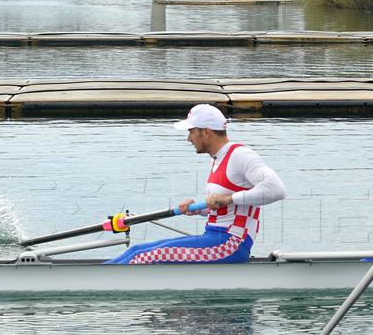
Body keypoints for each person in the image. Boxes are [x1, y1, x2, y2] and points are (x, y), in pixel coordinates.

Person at [106, 104, 286, 264]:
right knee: (135, 250)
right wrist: (199, 209)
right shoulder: (217, 159)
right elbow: (223, 206)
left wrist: (229, 198)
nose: (188, 138)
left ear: (206, 132)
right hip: (214, 237)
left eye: (191, 131)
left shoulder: (241, 155)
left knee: (142, 258)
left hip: (231, 244)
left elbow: (276, 190)